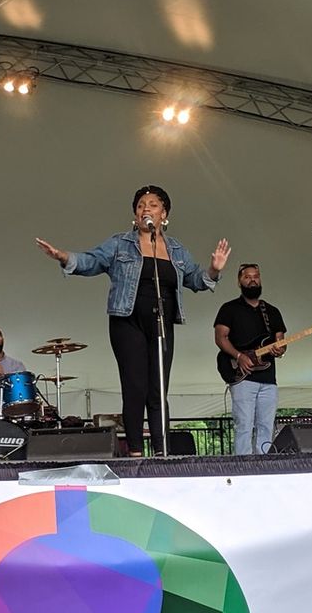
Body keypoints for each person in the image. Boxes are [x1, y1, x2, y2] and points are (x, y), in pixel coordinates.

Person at [35, 184, 230, 456]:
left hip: (161, 322)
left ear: (164, 214)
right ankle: (136, 451)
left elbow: (196, 280)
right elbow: (92, 261)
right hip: (127, 321)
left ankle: (163, 451)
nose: (145, 208)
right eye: (140, 205)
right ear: (135, 215)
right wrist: (64, 256)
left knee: (158, 388)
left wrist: (214, 269)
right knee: (135, 386)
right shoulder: (120, 243)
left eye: (152, 204)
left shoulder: (176, 249)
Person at [214, 264, 288, 455]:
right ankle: (242, 469)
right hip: (243, 377)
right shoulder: (229, 309)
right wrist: (239, 356)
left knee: (266, 426)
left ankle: (263, 469)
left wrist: (281, 348)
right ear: (239, 281)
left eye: (256, 276)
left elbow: (281, 340)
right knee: (244, 426)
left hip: (269, 379)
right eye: (247, 277)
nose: (252, 280)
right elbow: (220, 337)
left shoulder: (272, 311)